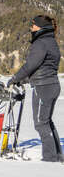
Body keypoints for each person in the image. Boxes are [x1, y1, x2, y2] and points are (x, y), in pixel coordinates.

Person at [7, 15, 63, 162]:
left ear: (40, 27)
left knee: (41, 123)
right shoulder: (51, 41)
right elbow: (42, 67)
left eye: (33, 25)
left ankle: (50, 158)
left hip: (43, 87)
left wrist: (15, 78)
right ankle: (57, 155)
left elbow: (30, 65)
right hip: (51, 85)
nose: (31, 28)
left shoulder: (41, 43)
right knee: (47, 121)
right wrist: (24, 80)